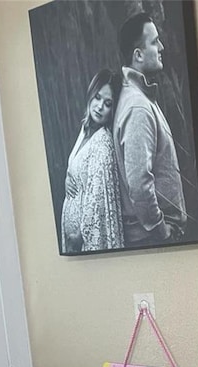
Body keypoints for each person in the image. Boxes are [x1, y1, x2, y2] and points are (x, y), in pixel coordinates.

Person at [113, 12, 187, 247]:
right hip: (154, 241)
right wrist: (160, 230)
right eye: (155, 42)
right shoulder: (137, 107)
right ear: (138, 55)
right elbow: (139, 183)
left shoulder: (139, 99)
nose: (162, 47)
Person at [61, 69, 124, 253]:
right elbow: (79, 170)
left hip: (83, 243)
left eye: (107, 103)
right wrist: (68, 177)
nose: (99, 107)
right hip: (72, 242)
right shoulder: (85, 129)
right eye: (97, 97)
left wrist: (79, 237)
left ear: (113, 110)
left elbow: (97, 199)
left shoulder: (103, 141)